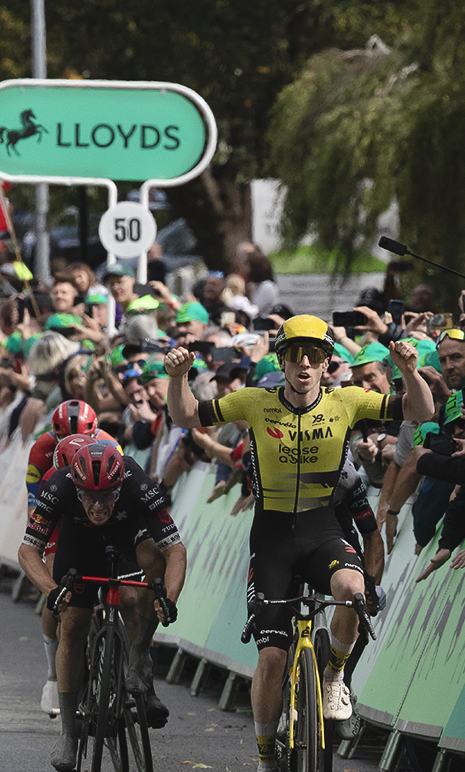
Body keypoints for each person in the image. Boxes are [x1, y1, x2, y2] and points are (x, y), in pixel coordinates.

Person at [163, 314, 433, 772]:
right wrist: (177, 377)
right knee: (270, 659)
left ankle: (333, 678)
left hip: (323, 530)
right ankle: (268, 755)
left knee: (353, 592)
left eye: (315, 356)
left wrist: (409, 370)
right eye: (295, 356)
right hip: (271, 539)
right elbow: (187, 415)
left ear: (328, 363)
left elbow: (422, 412)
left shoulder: (347, 400)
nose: (304, 365)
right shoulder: (254, 401)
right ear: (282, 361)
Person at [18, 440, 187, 771]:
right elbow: (28, 551)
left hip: (128, 536)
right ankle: (68, 734)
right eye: (89, 496)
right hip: (79, 545)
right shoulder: (58, 486)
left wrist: (169, 597)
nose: (98, 505)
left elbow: (175, 550)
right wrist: (51, 591)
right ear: (76, 488)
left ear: (120, 485)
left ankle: (139, 655)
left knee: (151, 563)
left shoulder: (137, 482)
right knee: (72, 625)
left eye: (107, 495)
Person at [23, 400, 119, 715]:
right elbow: (36, 513)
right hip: (62, 510)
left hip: (99, 503)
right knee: (55, 581)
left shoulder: (110, 446)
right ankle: (53, 676)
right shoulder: (42, 451)